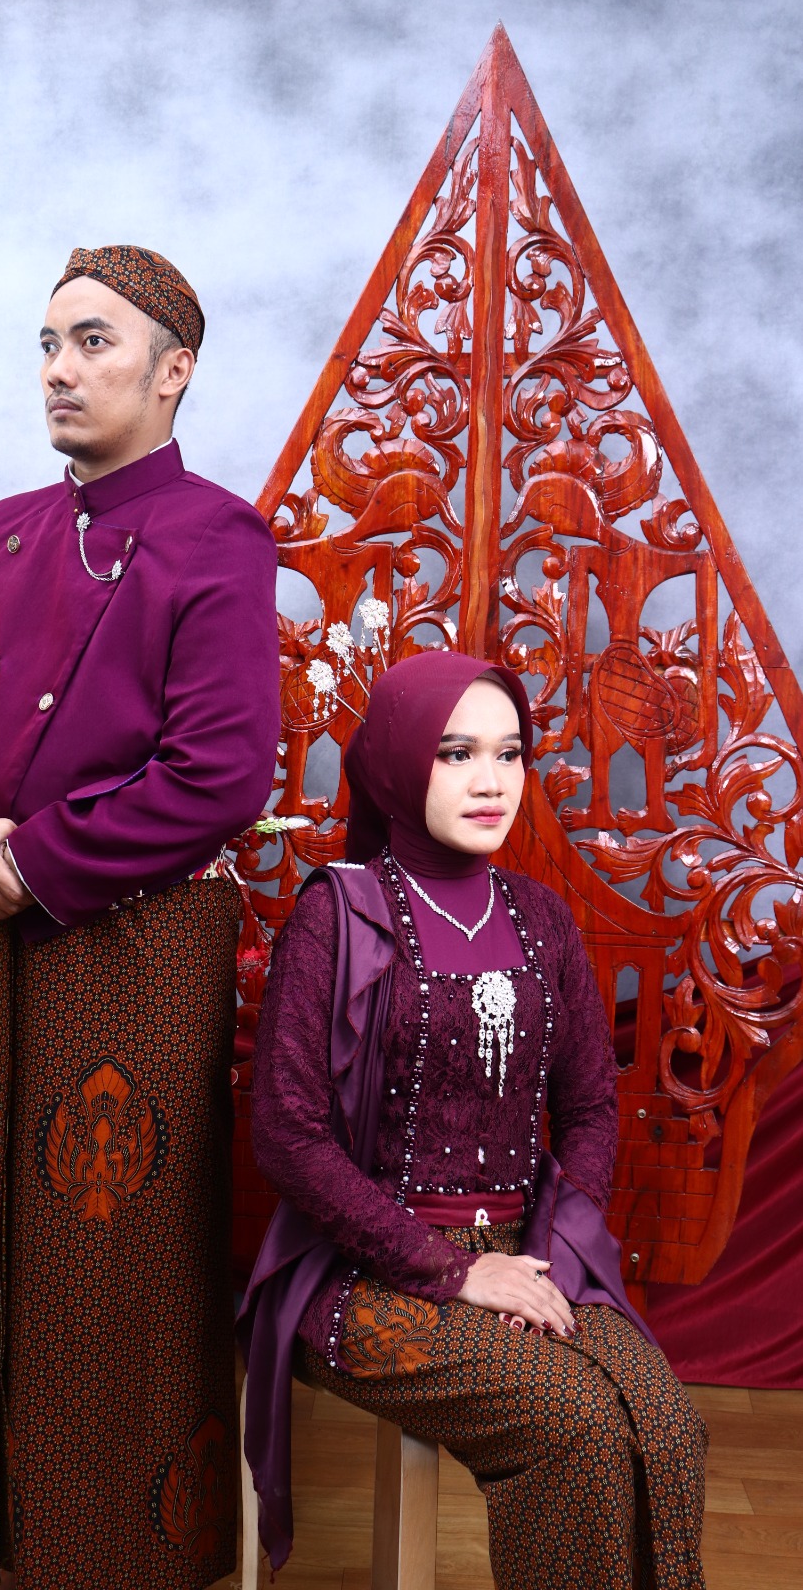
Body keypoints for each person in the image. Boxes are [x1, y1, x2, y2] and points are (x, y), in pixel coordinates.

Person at [0, 245, 280, 1590]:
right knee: (6, 1238)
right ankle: (6, 1553)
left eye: (94, 342)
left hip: (135, 943)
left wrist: (24, 861)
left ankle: (124, 1566)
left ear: (175, 372)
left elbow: (219, 774)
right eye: (48, 344)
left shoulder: (217, 537)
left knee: (111, 1270)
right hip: (1, 935)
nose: (59, 370)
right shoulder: (3, 529)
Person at [238, 650, 707, 1590]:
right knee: (572, 1424)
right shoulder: (338, 915)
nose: (491, 781)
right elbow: (287, 1133)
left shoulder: (542, 917)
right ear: (397, 763)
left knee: (667, 1427)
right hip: (365, 1272)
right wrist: (451, 1270)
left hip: (525, 1259)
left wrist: (553, 1250)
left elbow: (588, 1104)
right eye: (456, 753)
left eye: (509, 752)